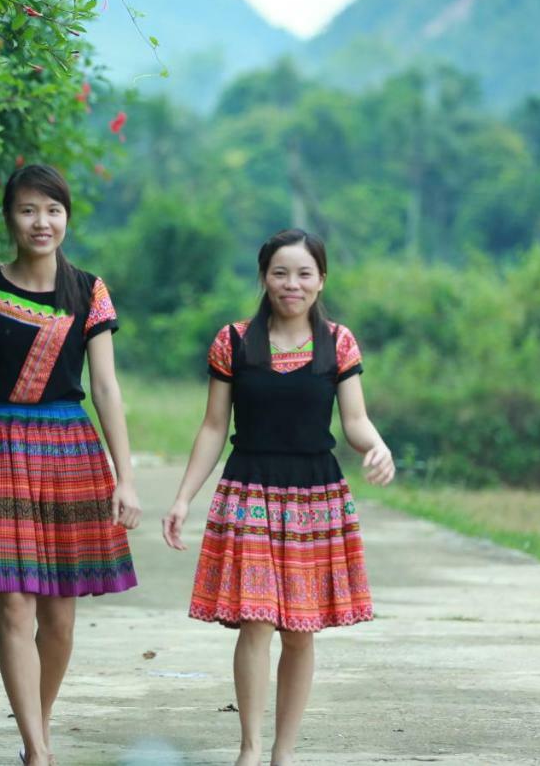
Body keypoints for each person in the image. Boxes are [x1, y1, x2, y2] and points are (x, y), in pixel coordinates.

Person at [161, 228, 394, 766]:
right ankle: (248, 748)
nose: (292, 284)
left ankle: (282, 753)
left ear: (321, 281)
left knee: (299, 630)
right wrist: (182, 498)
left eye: (304, 273)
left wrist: (377, 447)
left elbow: (355, 421)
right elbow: (214, 427)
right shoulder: (234, 342)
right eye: (280, 273)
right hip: (250, 492)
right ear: (264, 278)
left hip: (316, 497)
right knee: (256, 620)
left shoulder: (339, 342)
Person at [0, 164, 142, 766]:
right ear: (9, 216)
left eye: (52, 210)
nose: (41, 222)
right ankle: (37, 751)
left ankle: (40, 724)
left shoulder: (88, 291)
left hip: (69, 453)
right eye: (29, 210)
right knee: (13, 603)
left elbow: (105, 388)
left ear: (67, 217)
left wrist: (125, 476)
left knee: (58, 615)